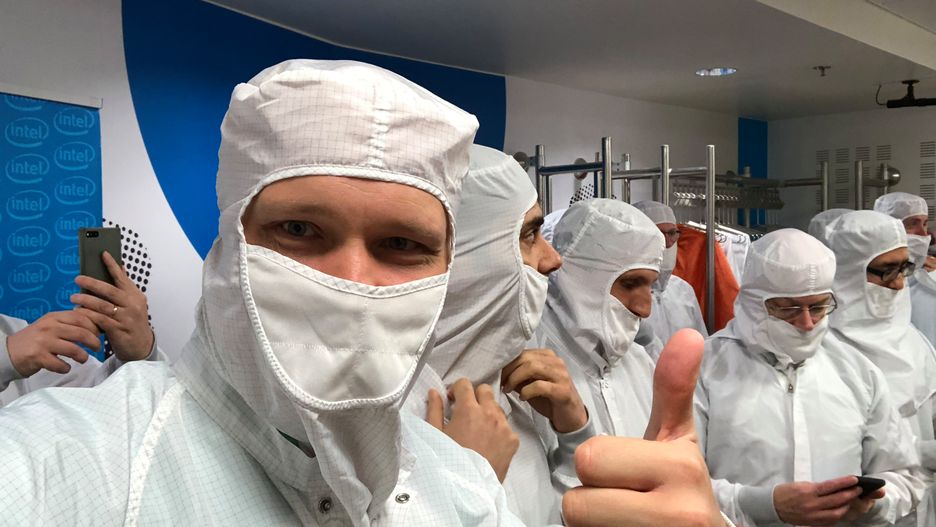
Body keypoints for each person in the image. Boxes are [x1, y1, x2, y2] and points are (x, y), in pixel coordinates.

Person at [405, 144, 590, 524]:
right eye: (529, 234)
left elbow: (557, 515)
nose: (553, 259)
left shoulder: (517, 390)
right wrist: (466, 488)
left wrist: (574, 433)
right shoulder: (381, 431)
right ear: (466, 258)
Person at [696, 228, 927, 526]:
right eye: (788, 309)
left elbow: (904, 475)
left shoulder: (856, 371)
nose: (806, 323)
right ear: (753, 301)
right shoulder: (705, 371)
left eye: (818, 307)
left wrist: (872, 504)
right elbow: (673, 484)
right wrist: (761, 504)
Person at [827, 210, 936, 527]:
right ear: (848, 272)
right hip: (860, 513)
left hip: (923, 508)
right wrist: (924, 454)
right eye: (886, 271)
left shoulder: (912, 339)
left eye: (904, 268)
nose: (899, 284)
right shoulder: (824, 352)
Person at [532, 199, 663, 444]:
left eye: (650, 286)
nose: (645, 309)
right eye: (629, 284)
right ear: (580, 278)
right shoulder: (529, 367)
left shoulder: (640, 364)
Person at [0, 251, 163, 406]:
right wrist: (5, 359)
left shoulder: (15, 334)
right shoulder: (13, 345)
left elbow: (97, 400)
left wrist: (139, 357)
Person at [632, 200, 707, 360]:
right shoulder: (625, 292)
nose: (667, 242)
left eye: (672, 233)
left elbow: (702, 346)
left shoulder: (683, 290)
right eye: (659, 234)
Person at [873, 192, 936, 348]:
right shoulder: (873, 279)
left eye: (925, 224)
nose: (923, 234)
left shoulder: (929, 272)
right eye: (912, 224)